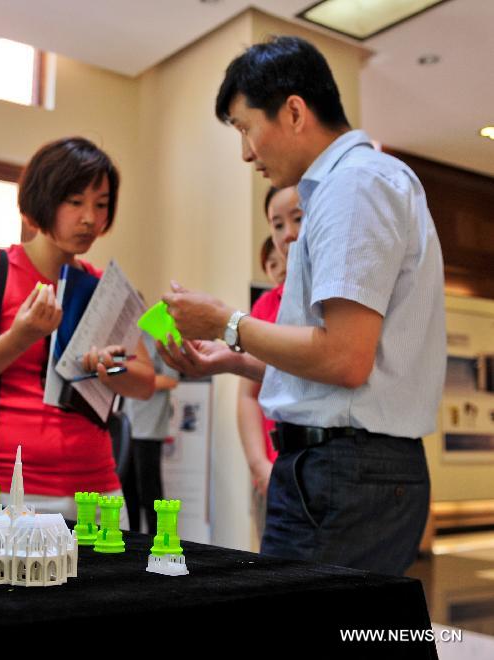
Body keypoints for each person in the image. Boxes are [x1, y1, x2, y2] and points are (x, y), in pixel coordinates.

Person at [158, 36, 446, 575]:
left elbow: (344, 359)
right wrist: (235, 358)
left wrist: (226, 322)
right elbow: (345, 365)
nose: (246, 152)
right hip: (353, 467)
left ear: (293, 111)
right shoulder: (355, 185)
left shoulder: (354, 185)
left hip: (343, 469)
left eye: (246, 128)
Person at [0, 137, 155, 520]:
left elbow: (145, 382)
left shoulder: (100, 286)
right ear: (42, 198)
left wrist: (110, 369)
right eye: (74, 202)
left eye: (102, 204)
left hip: (100, 487)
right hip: (12, 487)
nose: (90, 218)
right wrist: (20, 337)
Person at [238, 187, 300, 541]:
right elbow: (247, 394)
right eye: (277, 224)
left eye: (298, 218)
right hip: (274, 467)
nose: (288, 234)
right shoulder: (266, 306)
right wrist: (259, 464)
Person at [121, 333, 179, 533]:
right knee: (128, 494)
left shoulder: (160, 336)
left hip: (150, 428)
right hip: (127, 427)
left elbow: (171, 380)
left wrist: (138, 380)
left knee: (150, 494)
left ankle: (158, 545)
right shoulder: (125, 338)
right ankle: (131, 545)